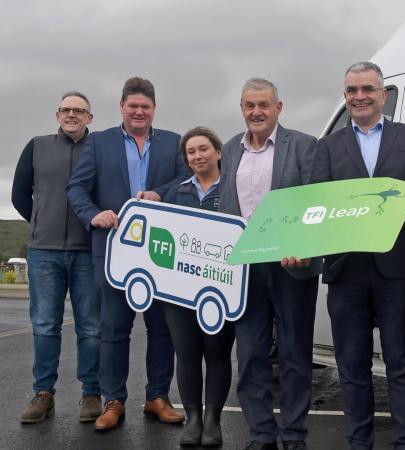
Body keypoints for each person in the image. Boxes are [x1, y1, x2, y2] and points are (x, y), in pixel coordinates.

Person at [309, 62, 405, 450]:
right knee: (352, 366)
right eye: (351, 90)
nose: (359, 96)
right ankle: (359, 443)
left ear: (383, 95)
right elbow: (316, 201)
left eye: (367, 89)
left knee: (402, 365)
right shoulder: (328, 146)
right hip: (345, 268)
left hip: (396, 268)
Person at [67, 77, 190, 431]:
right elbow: (76, 187)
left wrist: (161, 194)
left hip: (159, 254)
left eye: (146, 106)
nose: (139, 112)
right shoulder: (99, 142)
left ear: (154, 109)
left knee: (161, 329)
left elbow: (185, 182)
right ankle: (113, 401)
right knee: (113, 330)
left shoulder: (173, 143)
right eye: (133, 105)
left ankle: (158, 397)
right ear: (122, 106)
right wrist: (93, 215)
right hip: (113, 252)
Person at [218, 78, 320, 450]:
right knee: (250, 356)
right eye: (249, 106)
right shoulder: (230, 149)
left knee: (294, 355)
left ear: (279, 107)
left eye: (263, 105)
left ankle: (294, 434)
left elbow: (315, 205)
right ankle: (261, 434)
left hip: (291, 263)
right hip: (245, 268)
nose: (256, 112)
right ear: (242, 109)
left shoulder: (306, 146)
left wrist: (305, 246)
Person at [11, 91, 102, 424]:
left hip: (88, 250)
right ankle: (43, 394)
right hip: (44, 252)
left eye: (79, 110)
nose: (72, 115)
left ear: (90, 118)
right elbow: (20, 193)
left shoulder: (101, 148)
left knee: (91, 327)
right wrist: (40, 221)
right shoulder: (37, 146)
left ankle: (92, 393)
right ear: (57, 114)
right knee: (45, 326)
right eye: (66, 109)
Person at [160, 126, 234, 446]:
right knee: (187, 353)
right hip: (180, 292)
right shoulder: (176, 193)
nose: (197, 156)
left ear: (218, 152)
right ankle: (192, 417)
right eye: (191, 151)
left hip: (221, 291)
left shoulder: (234, 189)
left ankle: (212, 419)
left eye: (203, 149)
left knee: (217, 353)